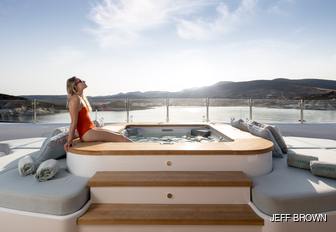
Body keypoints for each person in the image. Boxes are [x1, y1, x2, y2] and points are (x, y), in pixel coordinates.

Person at [64, 76, 132, 152]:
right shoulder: (75, 98)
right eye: (80, 81)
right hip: (87, 133)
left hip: (90, 130)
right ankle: (138, 154)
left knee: (119, 135)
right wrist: (69, 141)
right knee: (121, 138)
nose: (84, 81)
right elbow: (74, 122)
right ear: (74, 86)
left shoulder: (80, 98)